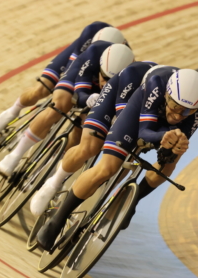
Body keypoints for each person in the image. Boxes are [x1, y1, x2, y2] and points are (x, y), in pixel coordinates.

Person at [36, 67, 198, 250]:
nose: (177, 115)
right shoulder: (157, 83)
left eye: (186, 112)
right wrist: (163, 137)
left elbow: (172, 147)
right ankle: (57, 220)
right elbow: (144, 132)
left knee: (173, 157)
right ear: (167, 95)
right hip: (136, 113)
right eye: (175, 107)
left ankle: (133, 200)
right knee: (107, 168)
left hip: (159, 126)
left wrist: (173, 147)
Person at [30, 61, 158, 216]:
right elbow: (122, 116)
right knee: (89, 147)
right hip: (113, 102)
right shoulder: (132, 74)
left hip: (137, 114)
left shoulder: (164, 100)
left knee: (125, 158)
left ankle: (96, 196)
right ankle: (53, 183)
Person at [0, 41, 135, 176]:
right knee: (59, 106)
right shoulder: (94, 53)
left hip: (100, 95)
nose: (105, 83)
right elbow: (80, 90)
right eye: (104, 77)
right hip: (79, 79)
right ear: (101, 65)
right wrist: (86, 98)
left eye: (110, 80)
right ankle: (15, 155)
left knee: (81, 134)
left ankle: (48, 168)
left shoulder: (129, 77)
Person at [0, 22, 126, 134]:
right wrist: (63, 88)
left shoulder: (121, 56)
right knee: (42, 89)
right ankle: (13, 111)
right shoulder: (92, 33)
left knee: (84, 121)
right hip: (79, 62)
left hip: (98, 72)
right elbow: (73, 68)